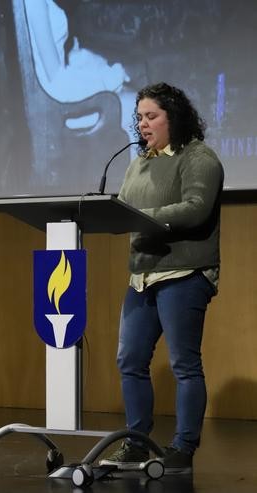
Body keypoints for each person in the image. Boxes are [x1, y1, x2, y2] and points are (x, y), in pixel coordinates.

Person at [100, 82, 223, 473]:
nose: (143, 124)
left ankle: (183, 448)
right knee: (130, 360)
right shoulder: (139, 162)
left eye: (151, 116)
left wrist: (148, 219)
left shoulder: (198, 157)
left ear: (175, 117)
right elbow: (123, 208)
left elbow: (197, 207)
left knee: (184, 364)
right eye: (139, 117)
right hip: (142, 275)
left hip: (184, 272)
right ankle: (137, 443)